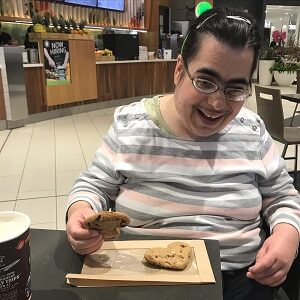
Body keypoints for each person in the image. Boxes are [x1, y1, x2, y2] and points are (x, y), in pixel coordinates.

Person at [66, 7, 300, 300]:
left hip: (240, 279)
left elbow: (282, 196)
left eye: (235, 89)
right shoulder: (131, 126)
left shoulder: (251, 131)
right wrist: (80, 214)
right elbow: (93, 186)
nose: (217, 103)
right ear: (179, 70)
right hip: (143, 276)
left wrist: (287, 235)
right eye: (204, 82)